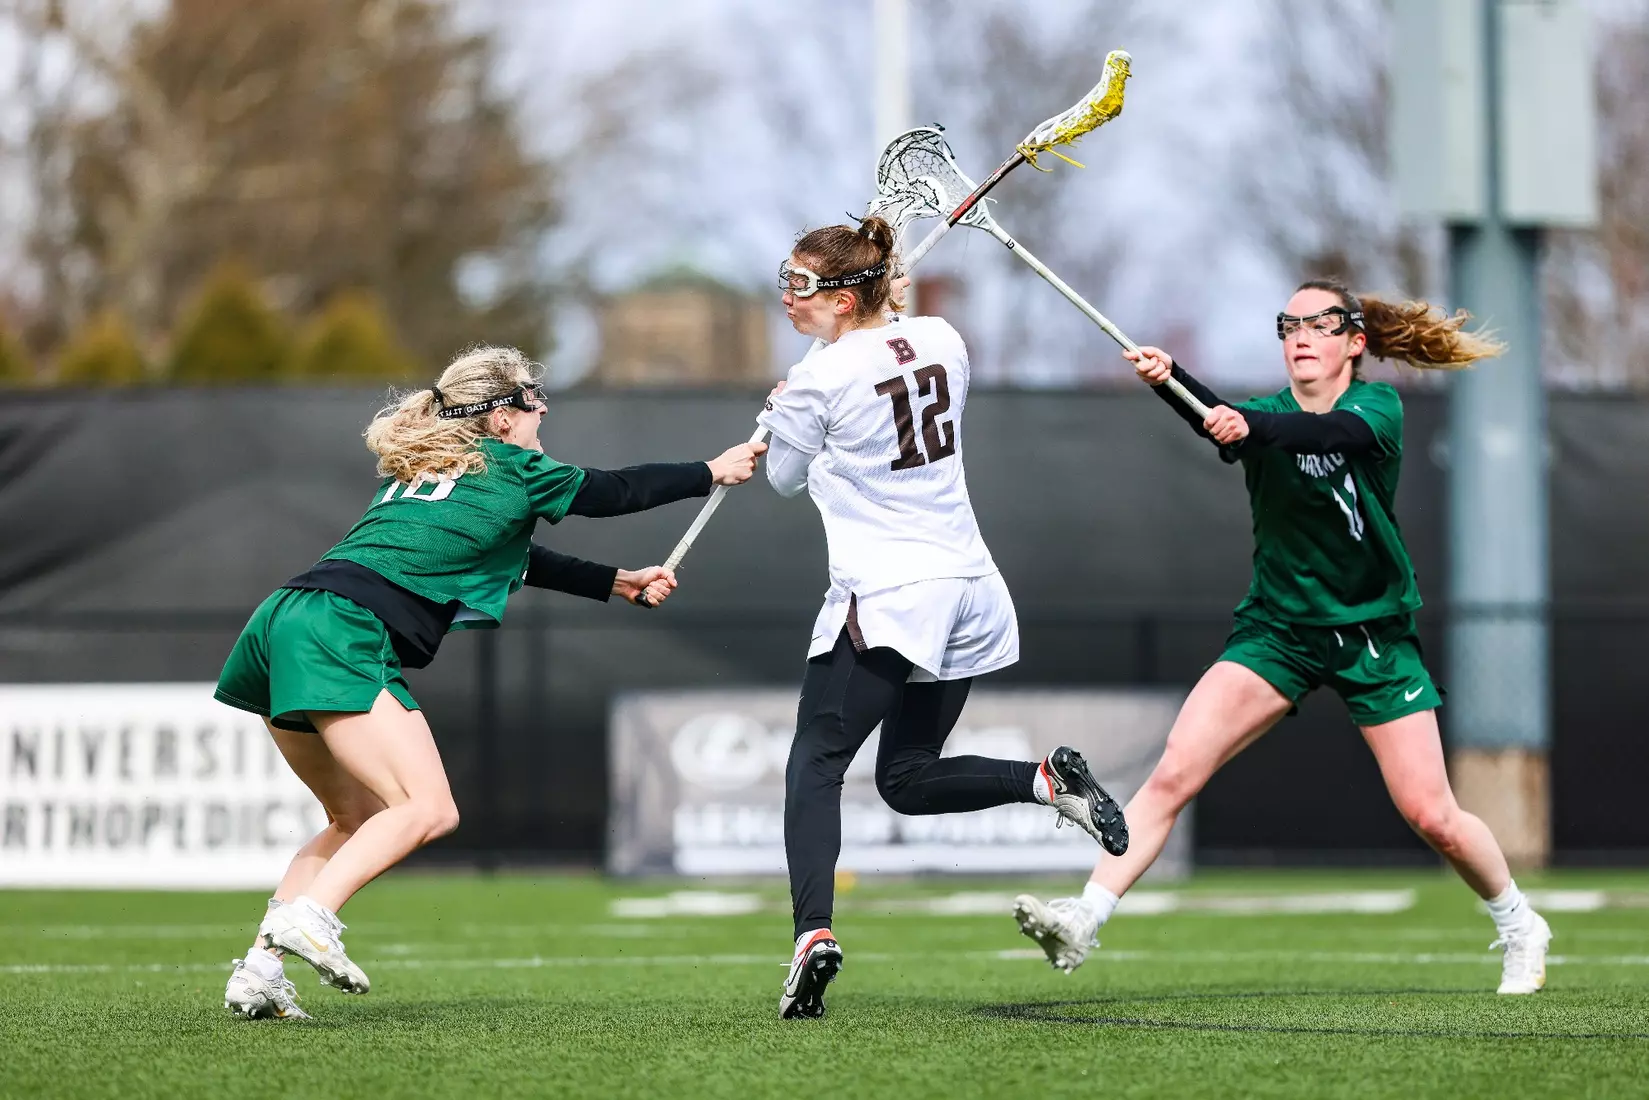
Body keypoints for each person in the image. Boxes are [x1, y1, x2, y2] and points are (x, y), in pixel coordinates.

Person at [1011, 279, 1552, 995]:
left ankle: (1518, 923)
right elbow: (1224, 419)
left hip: (1370, 638)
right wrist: (1170, 381)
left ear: (1353, 342)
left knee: (1432, 813)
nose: (1299, 335)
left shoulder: (1374, 406)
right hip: (1277, 631)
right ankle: (1084, 917)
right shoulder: (1260, 413)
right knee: (1174, 772)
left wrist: (1244, 427)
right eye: (1287, 324)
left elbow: (1328, 435)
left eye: (1318, 323)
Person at [215, 345, 767, 1020]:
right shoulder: (514, 467)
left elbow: (514, 555)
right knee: (426, 809)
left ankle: (260, 970)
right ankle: (311, 919)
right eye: (534, 404)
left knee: (349, 819)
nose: (542, 416)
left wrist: (612, 582)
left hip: (284, 619)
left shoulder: (432, 468)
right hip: (341, 629)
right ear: (502, 419)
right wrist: (708, 471)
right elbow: (609, 492)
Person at [758, 217, 1129, 1021]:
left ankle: (811, 937)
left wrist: (786, 409)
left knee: (815, 764)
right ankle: (1043, 783)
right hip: (966, 585)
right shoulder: (943, 338)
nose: (786, 296)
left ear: (847, 296)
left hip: (890, 593)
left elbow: (783, 479)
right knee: (906, 776)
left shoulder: (818, 379)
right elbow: (882, 371)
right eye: (783, 279)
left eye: (801, 284)